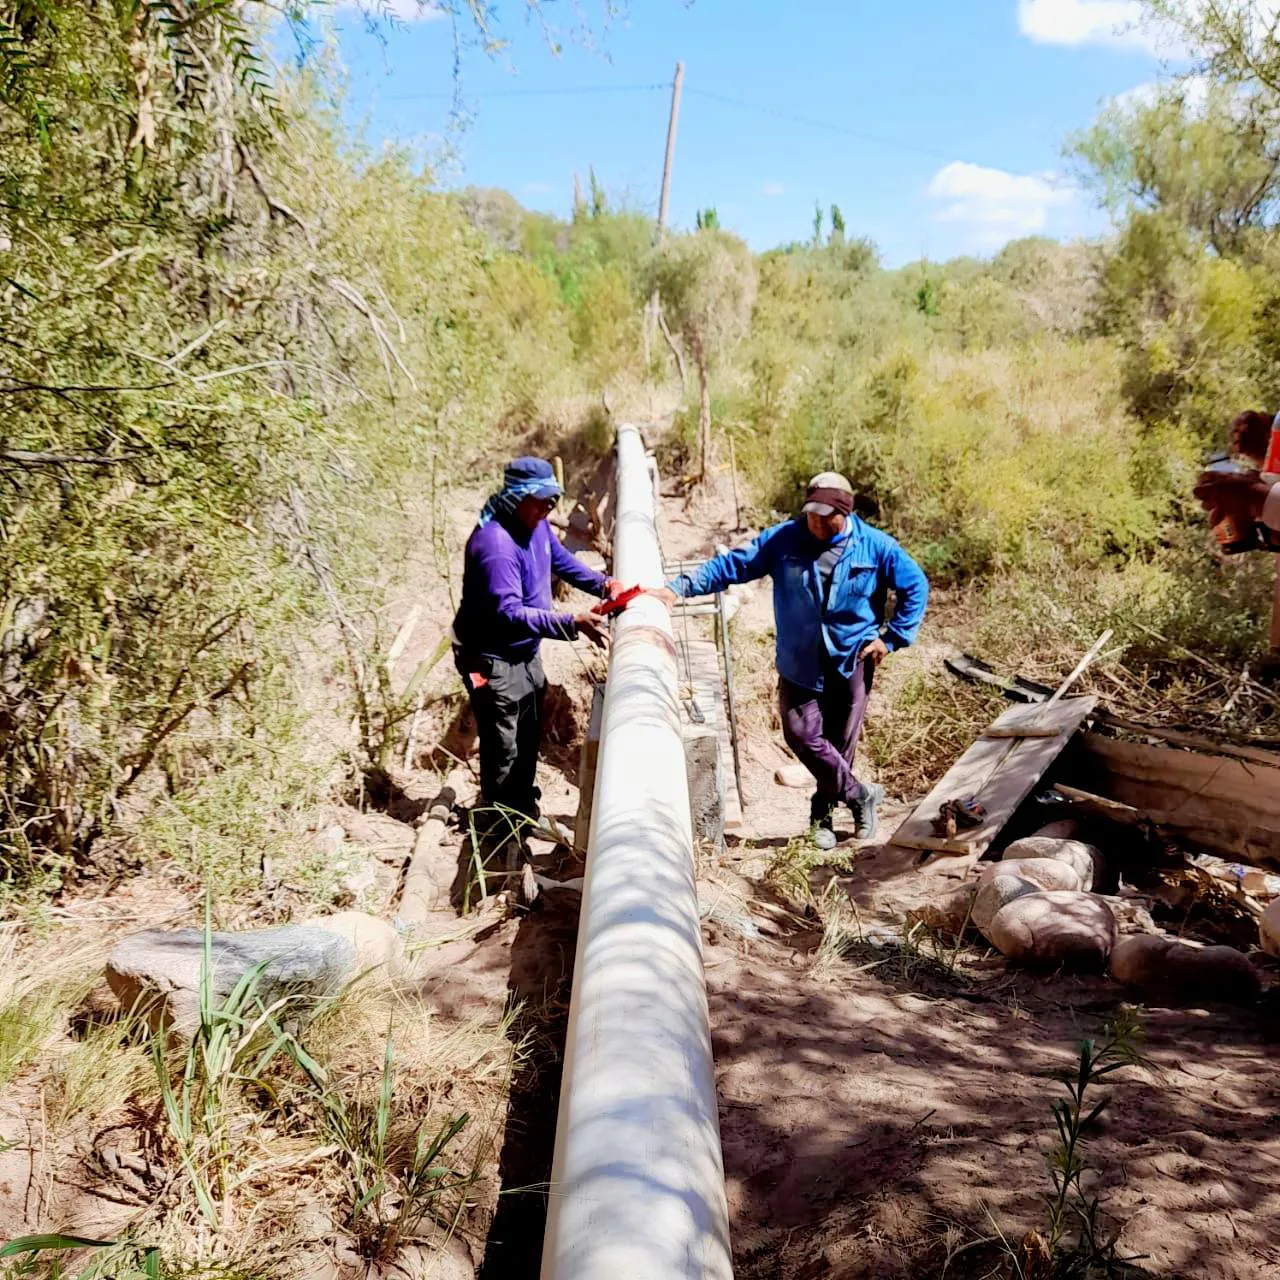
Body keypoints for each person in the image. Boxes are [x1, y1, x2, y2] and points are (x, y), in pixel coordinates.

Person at [654, 472, 928, 849]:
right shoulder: (785, 539)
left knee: (840, 741)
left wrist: (891, 639)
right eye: (810, 513)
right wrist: (677, 589)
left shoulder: (876, 547)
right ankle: (860, 794)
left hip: (853, 658)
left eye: (823, 515)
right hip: (799, 661)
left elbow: (916, 586)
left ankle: (822, 818)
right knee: (800, 735)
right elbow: (734, 565)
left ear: (842, 513)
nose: (813, 521)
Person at [451, 457, 617, 849]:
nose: (547, 510)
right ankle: (499, 831)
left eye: (552, 502)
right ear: (516, 498)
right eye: (540, 502)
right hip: (486, 660)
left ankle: (522, 811)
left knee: (528, 731)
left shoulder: (536, 523)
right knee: (502, 740)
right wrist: (571, 623)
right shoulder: (495, 544)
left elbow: (560, 561)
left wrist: (604, 585)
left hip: (523, 651)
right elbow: (509, 613)